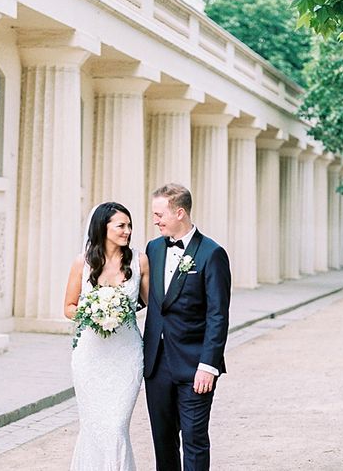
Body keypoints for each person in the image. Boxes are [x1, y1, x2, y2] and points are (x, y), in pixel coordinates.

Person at [143, 183, 231, 471]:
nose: (155, 220)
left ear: (180, 212)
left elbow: (218, 315)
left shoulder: (212, 253)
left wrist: (209, 365)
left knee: (194, 439)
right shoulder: (153, 249)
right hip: (156, 365)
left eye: (159, 214)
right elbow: (151, 299)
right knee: (163, 441)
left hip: (195, 366)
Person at [64, 201, 150, 471]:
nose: (128, 231)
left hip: (126, 356)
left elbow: (152, 303)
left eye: (129, 225)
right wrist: (93, 313)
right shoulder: (83, 262)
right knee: (93, 427)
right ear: (104, 227)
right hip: (91, 357)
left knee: (116, 426)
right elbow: (68, 307)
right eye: (121, 225)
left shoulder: (139, 261)